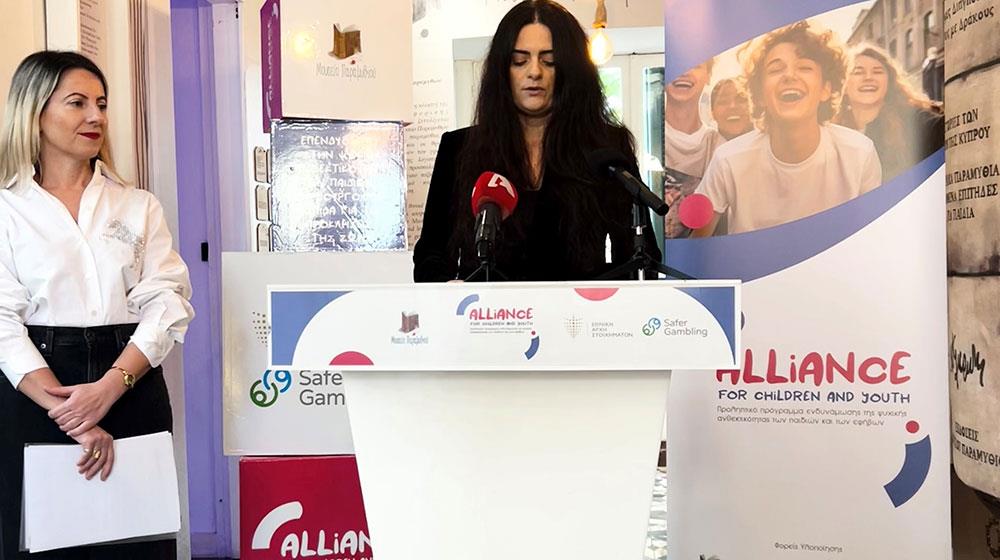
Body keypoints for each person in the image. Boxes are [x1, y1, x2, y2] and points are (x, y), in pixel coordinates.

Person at [0, 51, 194, 559]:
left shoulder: (137, 204)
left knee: (137, 543)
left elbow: (167, 301)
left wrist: (110, 387)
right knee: (40, 544)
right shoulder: (7, 208)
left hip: (129, 380)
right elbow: (2, 323)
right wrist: (75, 416)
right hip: (37, 388)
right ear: (35, 112)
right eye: (77, 103)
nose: (96, 117)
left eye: (102, 104)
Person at [413, 0, 659, 282]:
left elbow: (642, 259)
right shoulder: (458, 149)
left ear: (571, 70)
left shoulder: (607, 149)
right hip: (487, 309)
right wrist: (446, 288)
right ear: (502, 70)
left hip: (578, 308)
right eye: (520, 60)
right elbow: (430, 256)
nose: (534, 72)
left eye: (549, 61)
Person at [692, 21, 882, 236]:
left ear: (825, 89)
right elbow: (695, 243)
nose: (790, 76)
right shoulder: (727, 160)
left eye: (805, 67)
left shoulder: (860, 154)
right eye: (775, 69)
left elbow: (871, 239)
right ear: (760, 95)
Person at [836, 45, 944, 182]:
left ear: (889, 82)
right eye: (858, 72)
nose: (868, 77)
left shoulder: (913, 120)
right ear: (843, 85)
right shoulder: (831, 132)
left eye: (877, 71)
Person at [662, 60, 724, 238]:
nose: (684, 72)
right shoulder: (648, 137)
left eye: (695, 65)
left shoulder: (719, 147)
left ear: (708, 75)